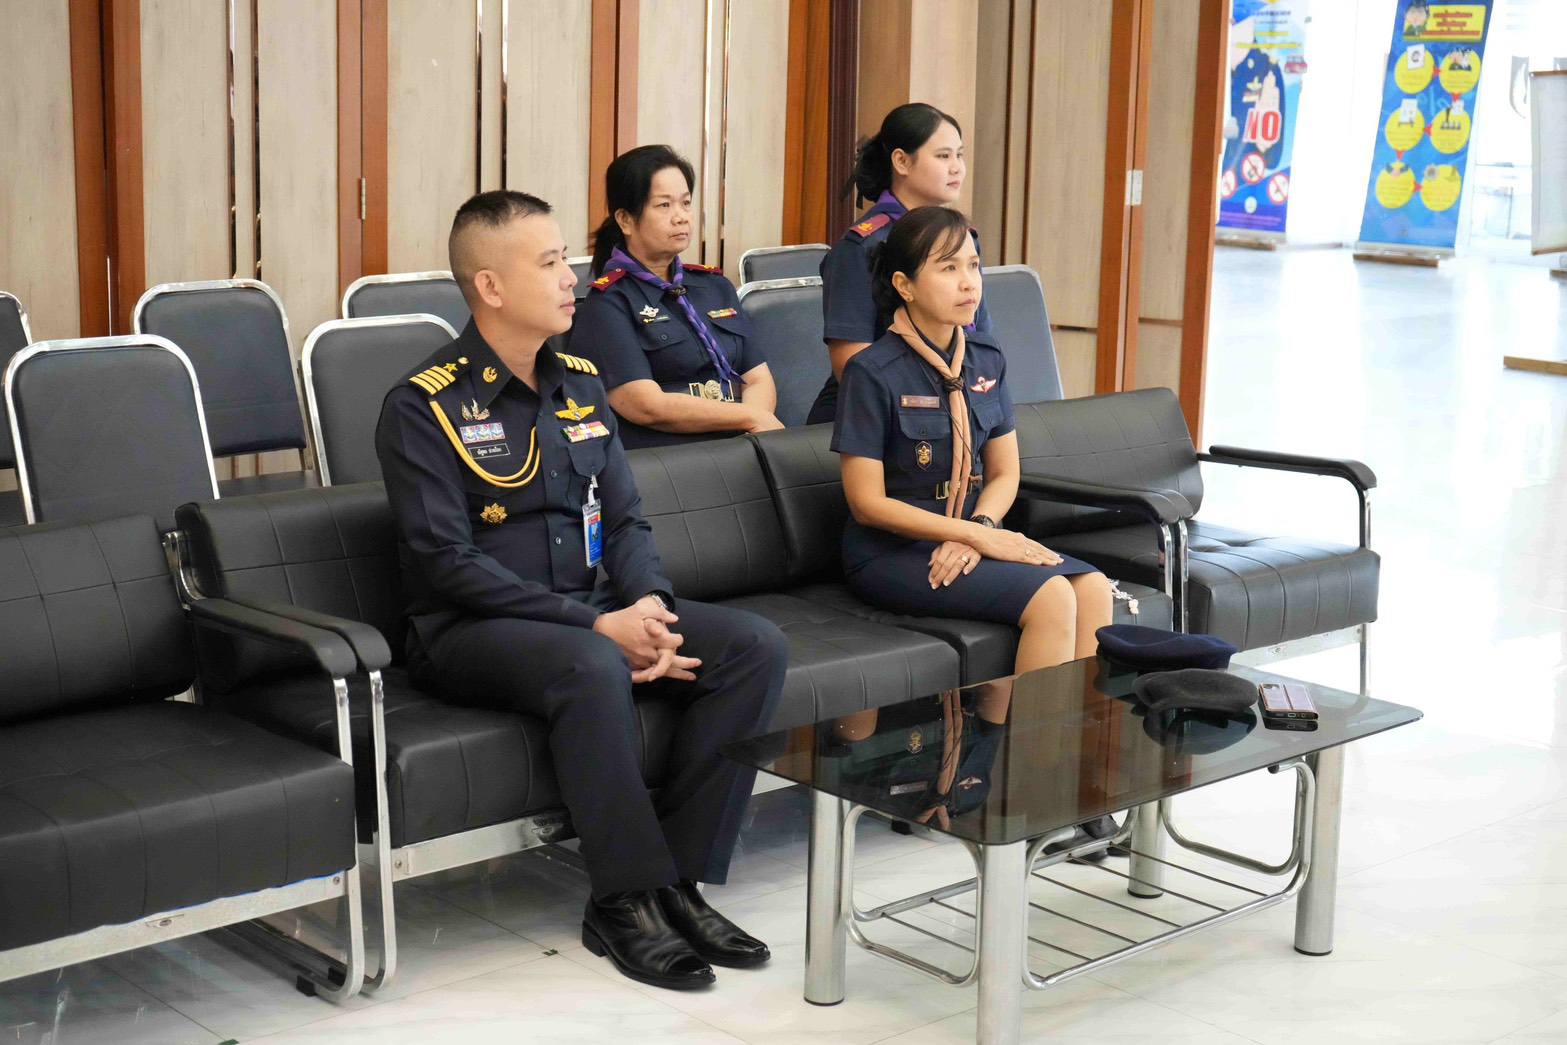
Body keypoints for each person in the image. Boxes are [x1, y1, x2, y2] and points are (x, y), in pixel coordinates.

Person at [376, 190, 787, 991]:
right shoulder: (424, 404)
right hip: (470, 628)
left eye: (566, 260)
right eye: (549, 263)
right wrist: (597, 628)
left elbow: (626, 519)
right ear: (491, 286)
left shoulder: (579, 382)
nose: (572, 278)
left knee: (752, 647)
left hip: (588, 611)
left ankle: (679, 880)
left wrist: (650, 607)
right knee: (591, 663)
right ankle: (623, 897)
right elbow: (446, 561)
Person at [831, 205, 1113, 676]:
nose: (969, 283)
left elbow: (1005, 472)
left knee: (1093, 587)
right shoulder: (872, 371)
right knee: (1052, 596)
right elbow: (867, 504)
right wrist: (974, 536)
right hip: (892, 552)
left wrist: (980, 529)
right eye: (948, 268)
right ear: (904, 285)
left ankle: (1072, 723)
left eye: (973, 266)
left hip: (972, 531)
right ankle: (1026, 726)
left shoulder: (986, 358)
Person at [571, 145, 781, 449]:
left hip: (742, 441)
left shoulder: (714, 286)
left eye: (686, 203)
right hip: (671, 454)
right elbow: (645, 405)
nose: (681, 217)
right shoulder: (608, 302)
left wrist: (754, 429)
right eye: (664, 205)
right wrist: (749, 418)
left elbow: (758, 377)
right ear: (625, 219)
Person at [807, 102, 994, 425]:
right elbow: (850, 364)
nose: (957, 168)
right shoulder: (862, 246)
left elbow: (981, 340)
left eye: (959, 155)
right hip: (876, 417)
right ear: (902, 161)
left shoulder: (964, 239)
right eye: (943, 156)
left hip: (953, 403)